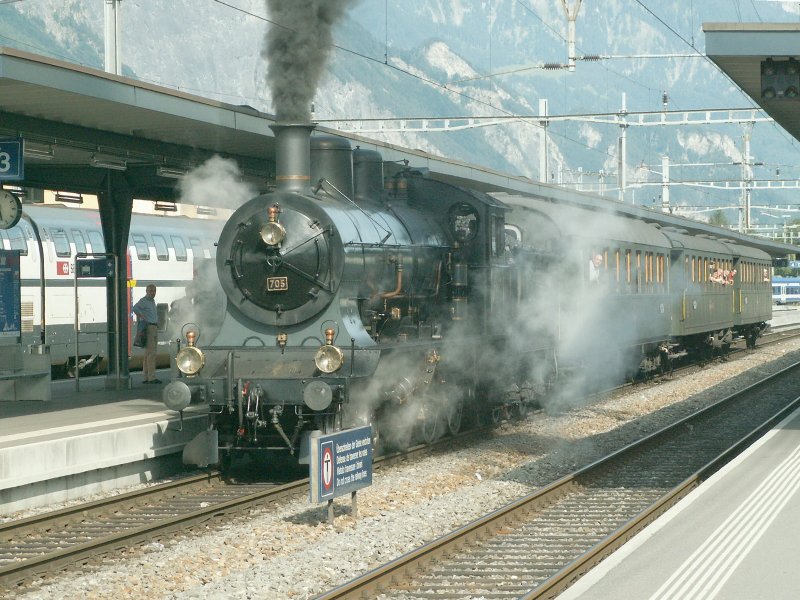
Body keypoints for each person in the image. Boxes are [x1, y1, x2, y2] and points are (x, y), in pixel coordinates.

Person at [133, 284, 160, 384]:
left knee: (147, 354)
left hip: (153, 326)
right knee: (151, 353)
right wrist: (142, 317)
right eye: (151, 291)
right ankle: (151, 377)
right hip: (149, 327)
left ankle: (146, 376)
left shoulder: (152, 301)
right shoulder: (144, 301)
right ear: (146, 291)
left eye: (154, 291)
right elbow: (135, 308)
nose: (153, 293)